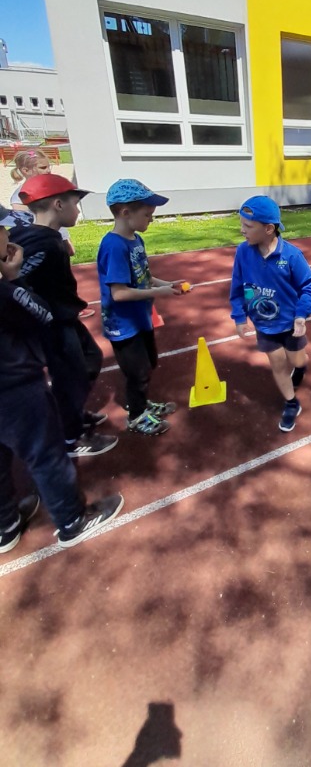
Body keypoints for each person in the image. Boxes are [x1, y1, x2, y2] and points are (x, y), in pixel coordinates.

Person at [0, 203, 124, 552]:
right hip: (13, 387)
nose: (9, 235)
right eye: (3, 231)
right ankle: (72, 520)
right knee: (46, 453)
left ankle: (5, 526)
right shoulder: (5, 291)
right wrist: (15, 278)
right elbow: (40, 315)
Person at [9, 174, 115, 457]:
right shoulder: (40, 242)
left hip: (64, 316)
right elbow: (17, 279)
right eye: (74, 204)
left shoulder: (48, 238)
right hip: (51, 323)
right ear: (58, 205)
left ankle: (70, 412)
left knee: (90, 359)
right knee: (70, 376)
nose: (78, 210)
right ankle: (70, 437)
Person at [97, 179, 186, 436]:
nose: (151, 219)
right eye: (147, 214)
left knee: (148, 364)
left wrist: (168, 284)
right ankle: (136, 416)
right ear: (126, 212)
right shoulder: (114, 246)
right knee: (137, 372)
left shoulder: (135, 240)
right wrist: (159, 292)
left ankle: (141, 403)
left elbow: (143, 275)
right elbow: (119, 293)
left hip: (140, 318)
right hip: (123, 325)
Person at [229, 196, 311, 433]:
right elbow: (237, 286)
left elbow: (308, 286)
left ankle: (301, 366)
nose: (242, 230)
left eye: (248, 226)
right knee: (278, 364)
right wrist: (239, 316)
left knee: (297, 361)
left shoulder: (291, 256)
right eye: (241, 224)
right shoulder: (243, 252)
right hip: (264, 324)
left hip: (290, 324)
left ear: (269, 229)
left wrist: (301, 315)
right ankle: (291, 402)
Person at [10, 148, 76, 256]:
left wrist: (65, 239)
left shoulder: (51, 189)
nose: (48, 170)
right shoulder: (20, 197)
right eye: (43, 167)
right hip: (38, 244)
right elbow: (24, 225)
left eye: (49, 166)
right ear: (25, 170)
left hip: (57, 237)